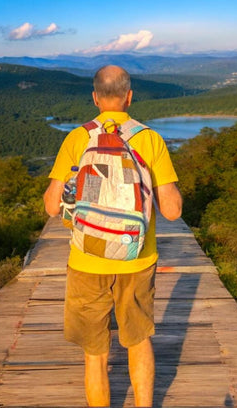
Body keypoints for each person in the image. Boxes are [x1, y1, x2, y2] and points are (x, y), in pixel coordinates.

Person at [43, 65, 182, 407]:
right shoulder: (149, 139)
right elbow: (173, 211)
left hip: (87, 260)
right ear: (129, 96)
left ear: (94, 97)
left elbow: (50, 206)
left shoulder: (77, 138)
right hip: (137, 259)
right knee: (138, 341)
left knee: (94, 353)